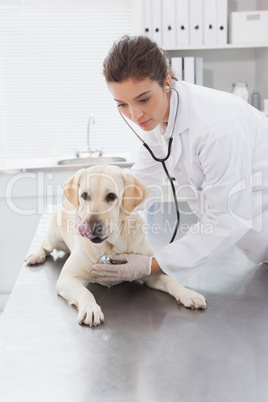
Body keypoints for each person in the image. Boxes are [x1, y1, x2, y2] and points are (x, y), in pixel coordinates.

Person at [91, 35, 268, 286]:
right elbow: (139, 187)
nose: (135, 114)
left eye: (143, 99)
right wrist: (96, 215)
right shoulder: (156, 121)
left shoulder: (216, 128)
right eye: (122, 104)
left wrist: (150, 265)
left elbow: (228, 218)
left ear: (166, 81)